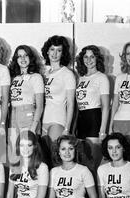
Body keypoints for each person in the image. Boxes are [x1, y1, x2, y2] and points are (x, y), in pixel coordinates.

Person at [41, 35, 76, 164]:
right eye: (52, 49)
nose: (55, 54)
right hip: (43, 120)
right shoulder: (44, 73)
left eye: (59, 50)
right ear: (47, 51)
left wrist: (67, 128)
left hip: (58, 120)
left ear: (63, 53)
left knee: (55, 159)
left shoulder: (67, 74)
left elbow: (71, 103)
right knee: (44, 160)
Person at [75, 45, 110, 171]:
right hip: (81, 120)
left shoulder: (101, 78)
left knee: (91, 164)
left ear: (97, 59)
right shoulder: (80, 78)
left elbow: (106, 107)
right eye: (85, 57)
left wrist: (102, 130)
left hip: (94, 119)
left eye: (92, 57)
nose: (89, 60)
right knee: (81, 165)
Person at [8, 45, 44, 164]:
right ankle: (16, 180)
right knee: (14, 151)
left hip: (27, 114)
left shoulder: (36, 77)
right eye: (19, 56)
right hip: (13, 114)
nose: (22, 59)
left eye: (25, 55)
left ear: (30, 58)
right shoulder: (14, 78)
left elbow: (40, 105)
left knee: (28, 152)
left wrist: (34, 126)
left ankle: (31, 180)